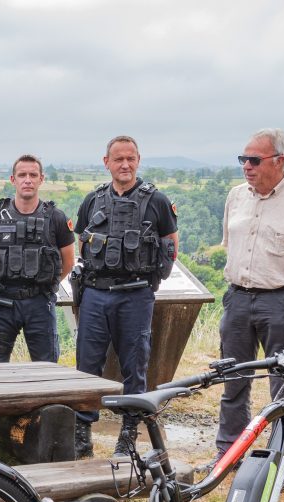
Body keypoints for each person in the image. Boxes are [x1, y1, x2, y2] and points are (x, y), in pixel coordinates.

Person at [216, 129, 284, 458]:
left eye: (254, 160)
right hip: (236, 297)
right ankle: (228, 453)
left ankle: (279, 457)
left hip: (280, 301)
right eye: (243, 159)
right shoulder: (236, 196)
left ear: (280, 161)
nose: (246, 166)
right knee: (233, 378)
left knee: (283, 385)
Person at [73, 136, 178, 456]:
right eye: (118, 159)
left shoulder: (156, 201)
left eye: (130, 158)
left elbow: (170, 246)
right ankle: (82, 431)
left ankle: (129, 431)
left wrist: (150, 282)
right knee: (87, 364)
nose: (125, 165)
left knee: (135, 365)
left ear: (138, 160)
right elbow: (82, 241)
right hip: (95, 293)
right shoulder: (93, 200)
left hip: (135, 294)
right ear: (106, 162)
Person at [0, 154, 74, 363]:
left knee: (47, 366)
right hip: (2, 301)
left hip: (40, 302)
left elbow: (68, 261)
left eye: (33, 175)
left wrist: (45, 284)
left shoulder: (56, 218)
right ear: (13, 179)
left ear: (41, 179)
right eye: (22, 175)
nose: (28, 180)